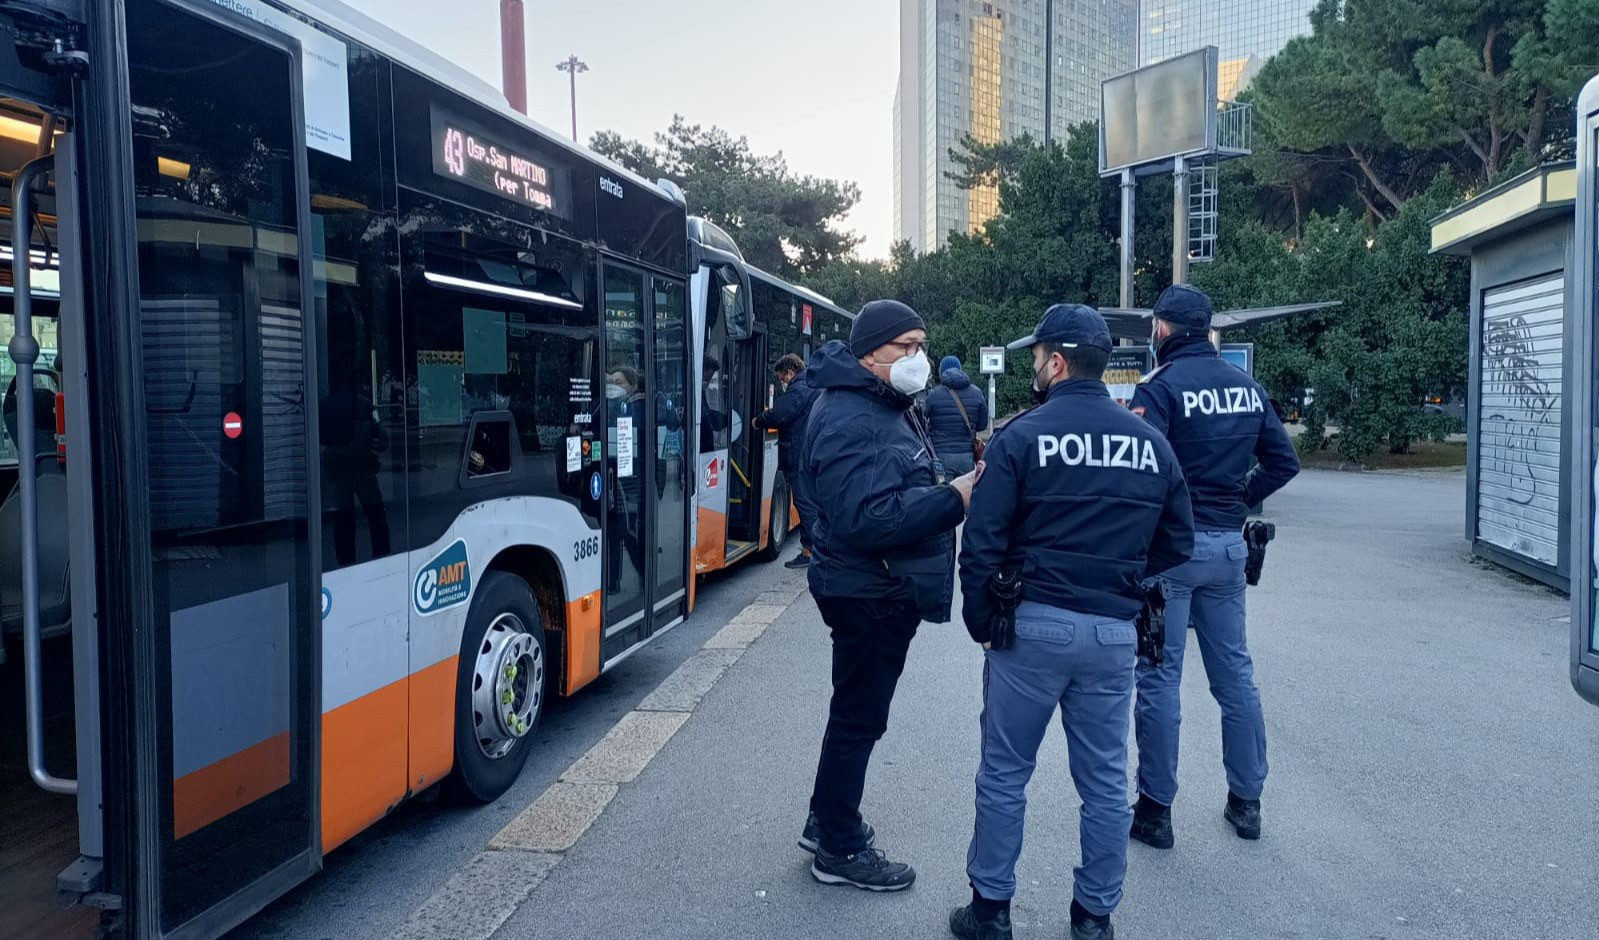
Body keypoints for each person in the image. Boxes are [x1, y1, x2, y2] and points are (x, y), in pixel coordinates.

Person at [952, 304, 1194, 940]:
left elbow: (982, 540)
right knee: (1107, 786)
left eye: (1037, 358)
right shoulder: (1149, 443)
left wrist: (982, 621)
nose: (1034, 366)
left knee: (1005, 773)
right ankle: (1093, 917)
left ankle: (990, 911)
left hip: (1032, 627)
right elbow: (1177, 543)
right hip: (1114, 633)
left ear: (1056, 362)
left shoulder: (1022, 437)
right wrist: (1122, 576)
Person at [798, 299, 980, 892]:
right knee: (858, 718)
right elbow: (866, 519)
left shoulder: (880, 404)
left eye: (922, 346)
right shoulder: (854, 414)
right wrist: (954, 497)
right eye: (906, 347)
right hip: (867, 587)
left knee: (852, 711)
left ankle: (826, 817)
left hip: (872, 583)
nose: (917, 359)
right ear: (870, 352)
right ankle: (840, 846)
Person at [1128, 284, 1300, 851]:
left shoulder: (1159, 389)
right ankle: (1246, 802)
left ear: (1162, 330)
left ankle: (1155, 811)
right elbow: (1283, 461)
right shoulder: (1247, 388)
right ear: (1208, 330)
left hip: (1171, 554)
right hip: (1228, 549)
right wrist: (1240, 497)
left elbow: (1143, 468)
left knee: (1159, 678)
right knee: (1235, 677)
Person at [753, 353, 818, 568]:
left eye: (782, 378)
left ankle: (810, 551)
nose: (781, 382)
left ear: (790, 372)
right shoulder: (810, 385)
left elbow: (780, 413)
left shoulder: (798, 389)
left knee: (803, 502)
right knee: (807, 501)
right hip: (805, 452)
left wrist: (758, 420)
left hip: (797, 454)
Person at [924, 355, 989, 477]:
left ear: (941, 372)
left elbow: (921, 423)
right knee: (965, 493)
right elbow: (982, 426)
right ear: (960, 369)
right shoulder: (976, 393)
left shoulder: (934, 395)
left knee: (944, 493)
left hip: (941, 456)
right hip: (966, 456)